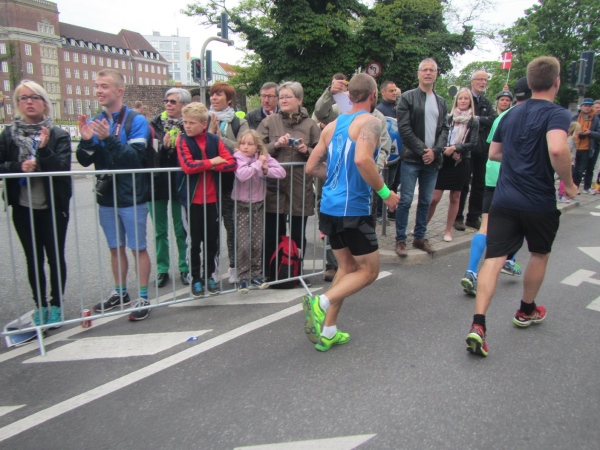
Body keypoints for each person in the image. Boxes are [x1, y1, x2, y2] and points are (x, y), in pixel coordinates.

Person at [465, 57, 577, 357]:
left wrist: (517, 157)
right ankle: (526, 310)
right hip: (538, 201)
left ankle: (478, 324)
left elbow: (494, 153)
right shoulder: (558, 113)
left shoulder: (510, 114)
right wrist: (569, 182)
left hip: (504, 199)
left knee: (494, 259)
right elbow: (557, 149)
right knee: (539, 253)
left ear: (529, 83)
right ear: (556, 82)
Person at [305, 73, 400, 351]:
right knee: (369, 271)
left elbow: (311, 167)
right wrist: (386, 193)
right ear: (373, 95)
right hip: (352, 208)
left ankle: (328, 331)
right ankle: (319, 302)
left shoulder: (332, 126)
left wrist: (336, 178)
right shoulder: (370, 122)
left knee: (346, 268)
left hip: (329, 207)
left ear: (349, 96)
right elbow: (362, 159)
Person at [76, 69, 153, 322]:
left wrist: (108, 139)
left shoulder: (136, 120)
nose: (99, 91)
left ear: (119, 91)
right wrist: (87, 141)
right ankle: (120, 293)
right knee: (114, 247)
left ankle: (143, 297)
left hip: (132, 195)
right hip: (107, 195)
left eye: (104, 86)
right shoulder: (97, 120)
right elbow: (84, 160)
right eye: (97, 86)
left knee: (137, 248)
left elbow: (134, 159)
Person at [0, 80, 72, 327]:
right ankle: (40, 305)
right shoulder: (9, 135)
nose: (29, 102)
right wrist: (18, 166)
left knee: (54, 256)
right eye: (23, 98)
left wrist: (43, 150)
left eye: (35, 97)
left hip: (53, 206)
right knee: (33, 258)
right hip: (23, 206)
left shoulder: (58, 134)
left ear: (44, 103)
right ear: (17, 103)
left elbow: (61, 169)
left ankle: (56, 304)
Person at [460, 76, 532, 297]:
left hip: (492, 176)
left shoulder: (502, 117)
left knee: (486, 226)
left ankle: (471, 271)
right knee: (520, 224)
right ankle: (509, 260)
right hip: (516, 178)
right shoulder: (534, 116)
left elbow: (492, 150)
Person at [257, 81, 320, 284]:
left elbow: (322, 152)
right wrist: (275, 145)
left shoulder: (310, 125)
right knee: (272, 233)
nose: (283, 100)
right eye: (281, 96)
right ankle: (271, 273)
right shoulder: (270, 121)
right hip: (274, 187)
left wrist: (306, 150)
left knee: (298, 234)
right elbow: (256, 147)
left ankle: (296, 273)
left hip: (300, 187)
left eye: (288, 96)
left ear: (299, 100)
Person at [176, 102, 237, 297]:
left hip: (212, 199)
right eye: (185, 122)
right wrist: (212, 162)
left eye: (191, 122)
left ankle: (209, 275)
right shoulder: (182, 140)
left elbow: (231, 163)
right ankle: (195, 278)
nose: (187, 126)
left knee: (212, 241)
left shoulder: (214, 140)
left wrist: (207, 165)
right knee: (194, 242)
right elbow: (188, 166)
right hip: (192, 200)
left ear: (204, 124)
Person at [395, 58, 449, 256]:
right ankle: (400, 239)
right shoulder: (407, 98)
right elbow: (404, 128)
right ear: (418, 74)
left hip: (432, 161)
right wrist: (423, 150)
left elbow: (445, 129)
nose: (428, 73)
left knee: (426, 201)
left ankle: (419, 237)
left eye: (431, 70)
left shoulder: (442, 101)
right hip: (411, 158)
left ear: (436, 74)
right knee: (406, 201)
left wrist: (435, 151)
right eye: (424, 70)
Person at [231, 130, 286, 293]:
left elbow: (282, 172)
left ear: (257, 146)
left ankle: (256, 274)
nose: (245, 147)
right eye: (243, 143)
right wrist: (257, 165)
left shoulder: (263, 156)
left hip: (258, 205)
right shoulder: (238, 157)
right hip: (241, 206)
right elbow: (242, 175)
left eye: (250, 144)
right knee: (243, 244)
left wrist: (266, 169)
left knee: (256, 242)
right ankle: (242, 276)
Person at [149, 88, 191, 288]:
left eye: (173, 101)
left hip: (179, 182)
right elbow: (147, 153)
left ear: (184, 105)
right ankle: (162, 269)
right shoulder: (154, 124)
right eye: (166, 101)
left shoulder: (189, 124)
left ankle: (185, 266)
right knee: (160, 231)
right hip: (157, 183)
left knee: (181, 229)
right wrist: (163, 148)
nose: (168, 104)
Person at [208, 82, 249, 284]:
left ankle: (234, 266)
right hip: (209, 183)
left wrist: (220, 139)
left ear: (229, 99)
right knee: (211, 229)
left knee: (232, 227)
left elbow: (243, 148)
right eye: (212, 95)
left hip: (230, 183)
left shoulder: (239, 122)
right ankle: (212, 268)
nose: (214, 98)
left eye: (219, 95)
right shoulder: (203, 118)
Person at [426, 87, 478, 242]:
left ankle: (448, 230)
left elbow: (473, 143)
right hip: (444, 160)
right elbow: (440, 137)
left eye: (466, 98)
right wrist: (447, 150)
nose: (463, 101)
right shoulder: (449, 118)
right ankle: (422, 226)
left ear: (470, 101)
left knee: (455, 197)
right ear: (456, 100)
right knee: (434, 198)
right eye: (460, 98)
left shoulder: (473, 121)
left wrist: (456, 148)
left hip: (461, 161)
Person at [454, 70, 498, 231]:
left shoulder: (485, 102)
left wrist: (478, 119)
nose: (483, 82)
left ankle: (473, 217)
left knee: (480, 184)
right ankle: (457, 217)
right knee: (463, 184)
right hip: (466, 149)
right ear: (472, 81)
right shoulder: (466, 97)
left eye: (485, 80)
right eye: (480, 79)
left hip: (482, 148)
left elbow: (493, 119)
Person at [376, 81, 402, 222]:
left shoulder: (398, 108)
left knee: (394, 182)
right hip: (386, 153)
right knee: (384, 183)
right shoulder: (379, 110)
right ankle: (379, 213)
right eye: (391, 90)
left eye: (395, 90)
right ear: (383, 92)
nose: (394, 93)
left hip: (397, 153)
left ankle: (392, 211)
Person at [571, 98, 600, 194]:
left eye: (589, 106)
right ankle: (573, 187)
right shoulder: (575, 117)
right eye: (585, 105)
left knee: (581, 169)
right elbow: (568, 130)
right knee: (573, 169)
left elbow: (598, 133)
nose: (587, 108)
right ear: (581, 106)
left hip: (587, 147)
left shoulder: (595, 118)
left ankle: (579, 187)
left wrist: (590, 133)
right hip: (574, 146)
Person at [558, 122, 580, 203]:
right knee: (564, 179)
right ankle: (561, 195)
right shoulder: (570, 140)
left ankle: (565, 194)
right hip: (568, 162)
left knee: (566, 178)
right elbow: (568, 151)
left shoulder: (572, 139)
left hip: (571, 161)